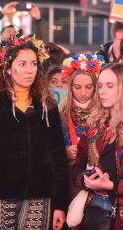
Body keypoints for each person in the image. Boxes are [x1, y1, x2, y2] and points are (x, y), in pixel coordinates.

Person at [0, 34, 68, 230]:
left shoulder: (48, 106)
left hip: (40, 195)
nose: (29, 70)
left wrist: (60, 204)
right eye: (22, 64)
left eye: (33, 63)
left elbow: (58, 156)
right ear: (7, 67)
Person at [70, 63, 123, 229]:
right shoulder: (93, 125)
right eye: (100, 85)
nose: (102, 91)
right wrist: (87, 180)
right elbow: (77, 166)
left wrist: (111, 185)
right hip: (94, 207)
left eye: (110, 85)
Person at [59, 54, 104, 203]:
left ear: (96, 86)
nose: (83, 93)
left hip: (98, 177)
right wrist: (64, 152)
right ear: (70, 87)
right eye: (77, 87)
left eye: (88, 87)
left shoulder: (104, 112)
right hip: (67, 177)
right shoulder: (60, 113)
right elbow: (48, 148)